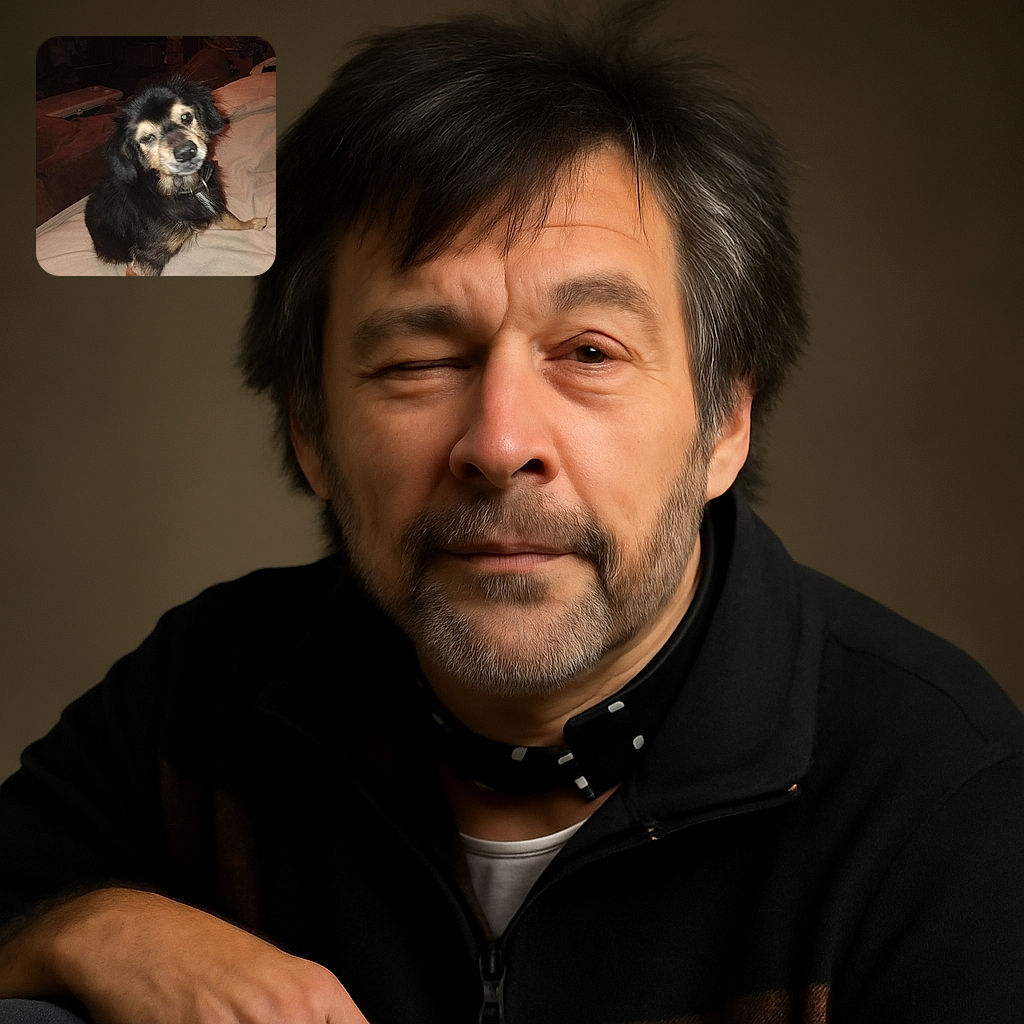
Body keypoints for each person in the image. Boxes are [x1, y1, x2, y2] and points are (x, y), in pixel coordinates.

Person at [1, 9, 1022, 1024]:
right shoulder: (213, 691)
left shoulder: (941, 795)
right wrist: (89, 927)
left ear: (725, 422)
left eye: (587, 352)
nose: (497, 443)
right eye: (418, 360)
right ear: (309, 429)